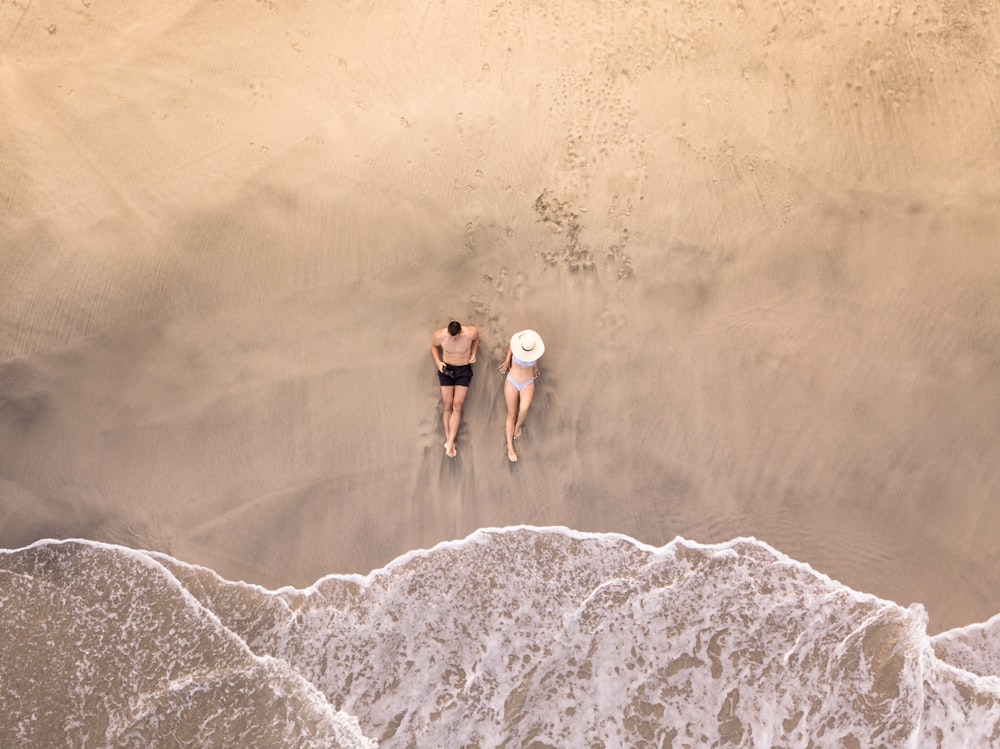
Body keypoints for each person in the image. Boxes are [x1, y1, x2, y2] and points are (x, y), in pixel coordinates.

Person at [430, 320, 479, 458]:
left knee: (457, 405)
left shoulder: (470, 333)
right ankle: (449, 439)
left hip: (463, 369)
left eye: (455, 337)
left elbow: (476, 339)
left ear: (460, 332)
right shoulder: (441, 335)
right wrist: (438, 362)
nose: (453, 339)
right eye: (451, 337)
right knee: (447, 405)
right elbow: (433, 346)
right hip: (446, 368)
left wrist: (473, 353)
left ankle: (450, 442)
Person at [498, 329, 544, 462]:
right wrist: (507, 360)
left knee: (524, 408)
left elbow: (534, 356)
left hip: (528, 383)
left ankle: (517, 427)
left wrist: (534, 366)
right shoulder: (518, 344)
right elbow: (511, 347)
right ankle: (510, 448)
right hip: (513, 381)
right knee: (511, 413)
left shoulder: (534, 348)